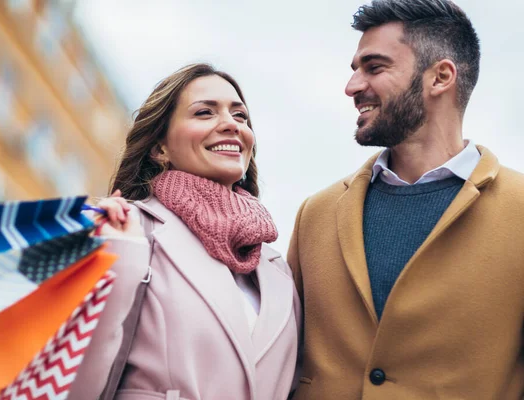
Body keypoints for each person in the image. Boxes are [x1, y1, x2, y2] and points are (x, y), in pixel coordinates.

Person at [288, 0, 524, 398]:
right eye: (355, 70)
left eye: (374, 67)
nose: (352, 87)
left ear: (441, 77)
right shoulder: (316, 213)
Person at [69, 64, 301, 400]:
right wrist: (117, 256)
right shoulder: (122, 231)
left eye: (240, 116)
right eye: (205, 112)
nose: (231, 125)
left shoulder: (275, 266)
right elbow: (74, 381)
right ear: (159, 148)